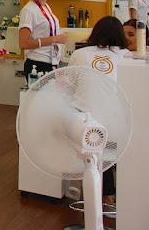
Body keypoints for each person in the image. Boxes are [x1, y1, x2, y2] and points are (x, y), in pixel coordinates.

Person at [68, 16, 128, 206]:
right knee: (105, 146)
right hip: (118, 126)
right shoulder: (127, 57)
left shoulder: (80, 54)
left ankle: (88, 189)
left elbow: (69, 86)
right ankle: (110, 195)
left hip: (85, 126)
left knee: (95, 145)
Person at [18, 0, 68, 76]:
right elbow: (23, 43)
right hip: (37, 64)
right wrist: (54, 39)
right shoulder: (29, 10)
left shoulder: (46, 6)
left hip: (51, 62)